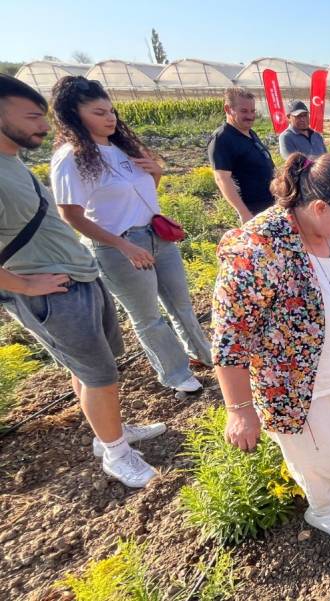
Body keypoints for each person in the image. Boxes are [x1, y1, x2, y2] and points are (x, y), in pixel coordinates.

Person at [214, 151, 330, 542]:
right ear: (318, 206)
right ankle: (326, 510)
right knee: (318, 458)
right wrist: (240, 410)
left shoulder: (322, 231)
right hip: (296, 385)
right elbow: (230, 339)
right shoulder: (257, 250)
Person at [0, 75, 163, 488]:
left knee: (94, 365)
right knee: (99, 373)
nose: (43, 124)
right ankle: (116, 454)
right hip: (52, 290)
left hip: (78, 277)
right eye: (33, 116)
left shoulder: (12, 162)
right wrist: (23, 286)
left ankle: (109, 433)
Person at [50, 76, 210, 396]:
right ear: (73, 115)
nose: (110, 118)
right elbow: (71, 214)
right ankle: (175, 373)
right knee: (148, 316)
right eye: (98, 112)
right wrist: (122, 245)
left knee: (181, 304)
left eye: (111, 111)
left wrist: (157, 173)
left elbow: (140, 194)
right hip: (119, 246)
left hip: (157, 235)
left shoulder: (121, 147)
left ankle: (203, 354)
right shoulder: (72, 157)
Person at [208, 87, 275, 223]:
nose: (250, 116)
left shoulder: (249, 133)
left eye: (252, 111)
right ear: (228, 109)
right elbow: (222, 179)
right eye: (244, 111)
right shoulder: (222, 138)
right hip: (252, 210)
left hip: (270, 205)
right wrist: (244, 213)